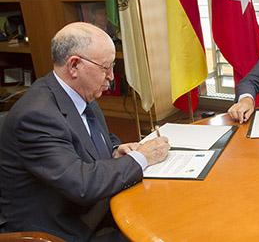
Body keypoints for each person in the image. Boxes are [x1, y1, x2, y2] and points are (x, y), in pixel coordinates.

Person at [0, 22, 171, 241]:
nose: (111, 76)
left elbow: (98, 138)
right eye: (106, 67)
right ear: (74, 65)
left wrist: (116, 150)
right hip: (62, 229)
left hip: (92, 211)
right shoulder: (35, 116)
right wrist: (142, 157)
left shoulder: (79, 91)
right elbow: (82, 185)